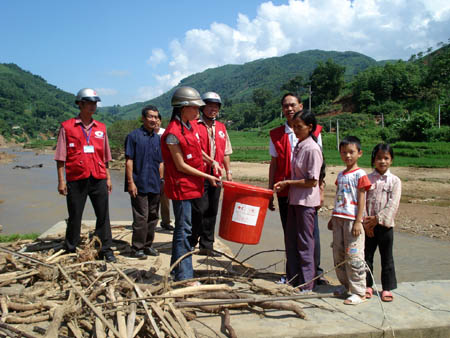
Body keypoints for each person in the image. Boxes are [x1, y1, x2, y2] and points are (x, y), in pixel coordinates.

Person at [161, 86, 221, 283]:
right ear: (182, 107)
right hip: (181, 188)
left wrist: (211, 161)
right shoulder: (172, 133)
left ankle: (176, 270)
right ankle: (184, 276)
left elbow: (197, 150)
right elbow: (181, 165)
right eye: (194, 107)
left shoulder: (191, 126)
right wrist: (207, 175)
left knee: (185, 228)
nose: (197, 111)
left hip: (193, 185)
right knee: (184, 230)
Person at [268, 93, 326, 284]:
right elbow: (274, 164)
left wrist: (321, 190)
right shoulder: (276, 134)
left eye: (293, 105)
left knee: (310, 236)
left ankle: (314, 275)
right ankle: (294, 274)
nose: (289, 109)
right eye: (285, 106)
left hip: (306, 194)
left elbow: (319, 167)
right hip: (286, 193)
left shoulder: (314, 133)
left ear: (300, 106)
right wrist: (270, 192)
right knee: (290, 234)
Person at [54, 88, 115, 262]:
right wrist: (61, 181)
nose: (93, 106)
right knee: (75, 215)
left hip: (98, 177)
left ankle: (105, 249)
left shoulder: (101, 128)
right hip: (76, 178)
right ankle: (71, 247)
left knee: (103, 215)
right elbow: (60, 157)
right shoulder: (67, 127)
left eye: (95, 102)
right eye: (89, 102)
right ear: (80, 104)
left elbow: (106, 157)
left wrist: (108, 178)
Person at [328, 136, 371, 305]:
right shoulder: (341, 175)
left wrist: (358, 221)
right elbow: (339, 196)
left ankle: (359, 291)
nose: (347, 156)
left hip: (352, 220)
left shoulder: (360, 175)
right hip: (339, 218)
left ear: (359, 153)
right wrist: (332, 217)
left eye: (351, 152)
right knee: (338, 253)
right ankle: (345, 286)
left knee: (354, 255)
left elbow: (362, 199)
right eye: (344, 152)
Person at [191, 91, 233, 256]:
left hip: (217, 175)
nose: (212, 109)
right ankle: (191, 240)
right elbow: (195, 149)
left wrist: (228, 172)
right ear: (203, 107)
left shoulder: (221, 127)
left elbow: (226, 152)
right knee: (199, 209)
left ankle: (206, 245)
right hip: (199, 174)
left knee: (212, 210)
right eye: (209, 106)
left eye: (215, 106)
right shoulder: (194, 125)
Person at [364, 144, 401, 302]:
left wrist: (377, 219)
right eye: (379, 158)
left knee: (387, 257)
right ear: (373, 160)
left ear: (391, 160)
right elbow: (362, 201)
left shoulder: (395, 181)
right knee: (366, 257)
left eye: (386, 158)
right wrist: (366, 222)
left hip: (385, 226)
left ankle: (387, 288)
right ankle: (367, 285)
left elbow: (393, 204)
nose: (382, 161)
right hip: (368, 227)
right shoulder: (367, 179)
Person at [124, 105, 163, 259]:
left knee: (153, 216)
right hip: (138, 183)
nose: (153, 120)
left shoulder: (158, 138)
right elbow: (129, 161)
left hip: (154, 183)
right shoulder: (133, 136)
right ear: (143, 118)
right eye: (150, 116)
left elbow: (161, 162)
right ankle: (137, 248)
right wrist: (130, 183)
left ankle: (148, 246)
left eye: (156, 117)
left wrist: (162, 180)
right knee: (141, 217)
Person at [155, 113, 174, 231]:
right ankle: (149, 221)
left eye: (157, 119)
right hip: (151, 167)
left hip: (166, 167)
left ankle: (166, 221)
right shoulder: (145, 134)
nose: (155, 121)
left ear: (161, 121)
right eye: (152, 118)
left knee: (165, 196)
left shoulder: (165, 133)